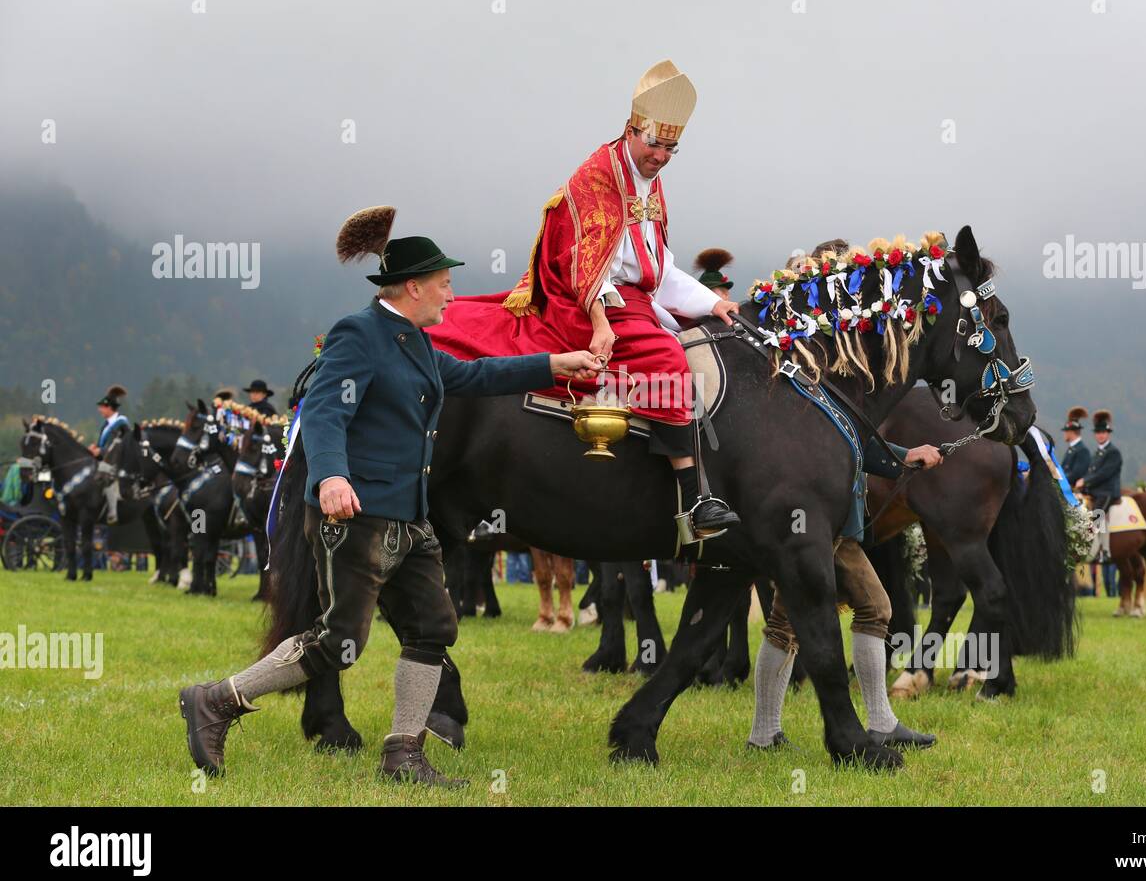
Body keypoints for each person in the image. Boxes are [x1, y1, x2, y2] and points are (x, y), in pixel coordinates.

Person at [179, 207, 600, 787]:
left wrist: (556, 364)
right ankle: (215, 700)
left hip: (408, 518)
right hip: (354, 516)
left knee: (432, 628)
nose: (452, 295)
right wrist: (329, 476)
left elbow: (474, 379)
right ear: (413, 287)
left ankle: (404, 755)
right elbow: (324, 408)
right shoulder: (359, 335)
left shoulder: (418, 343)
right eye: (445, 284)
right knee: (338, 642)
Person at [428, 60, 742, 543]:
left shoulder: (649, 180)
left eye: (671, 147)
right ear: (632, 129)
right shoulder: (598, 176)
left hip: (629, 296)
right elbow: (583, 261)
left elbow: (656, 262)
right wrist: (600, 322)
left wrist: (709, 302)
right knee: (667, 358)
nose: (661, 155)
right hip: (586, 298)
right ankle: (695, 496)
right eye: (654, 143)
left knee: (706, 337)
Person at [748, 436, 944, 754]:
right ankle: (879, 725)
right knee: (859, 609)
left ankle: (766, 735)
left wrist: (905, 456)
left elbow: (852, 436)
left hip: (826, 525)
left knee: (794, 621)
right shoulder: (811, 390)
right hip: (817, 525)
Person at [1075, 409, 1122, 563]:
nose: (1101, 435)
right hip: (1095, 491)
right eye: (1098, 432)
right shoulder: (1098, 452)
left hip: (1107, 492)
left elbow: (1104, 474)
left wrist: (1086, 481)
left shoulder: (1113, 452)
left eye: (1103, 432)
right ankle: (1103, 550)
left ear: (1108, 434)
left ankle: (1100, 551)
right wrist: (1083, 482)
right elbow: (1091, 472)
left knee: (1097, 516)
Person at [87, 384, 129, 524]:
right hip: (105, 459)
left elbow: (120, 445)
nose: (100, 410)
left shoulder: (121, 424)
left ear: (109, 408)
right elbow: (104, 445)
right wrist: (96, 448)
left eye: (102, 407)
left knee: (104, 475)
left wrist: (101, 451)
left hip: (116, 462)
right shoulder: (106, 425)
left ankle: (112, 511)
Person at [1060, 406, 1092, 486]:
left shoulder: (1082, 450)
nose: (1064, 434)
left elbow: (1076, 474)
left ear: (1070, 432)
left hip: (1073, 489)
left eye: (1066, 431)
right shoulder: (1072, 449)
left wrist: (1060, 481)